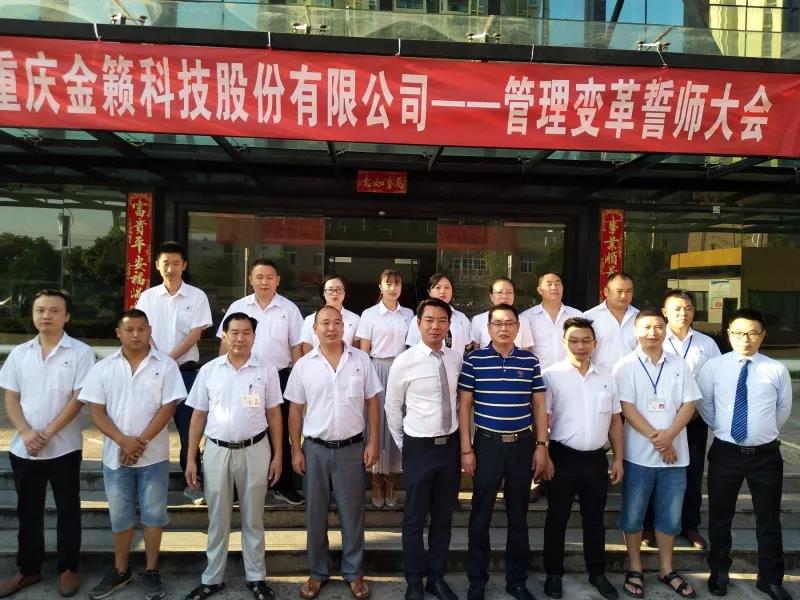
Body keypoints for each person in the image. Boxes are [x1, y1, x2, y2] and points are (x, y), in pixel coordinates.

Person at [80, 309, 186, 600]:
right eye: (129, 330)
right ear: (119, 333)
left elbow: (168, 407)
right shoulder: (103, 368)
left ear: (149, 331)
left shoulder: (166, 365)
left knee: (154, 515)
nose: (136, 334)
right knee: (120, 516)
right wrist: (123, 442)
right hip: (116, 457)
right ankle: (120, 569)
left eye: (141, 329)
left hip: (153, 458)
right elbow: (96, 412)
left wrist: (140, 442)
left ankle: (152, 570)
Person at [0, 290, 94, 599]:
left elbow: (78, 398)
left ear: (67, 316)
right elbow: (11, 397)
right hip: (24, 448)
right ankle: (28, 569)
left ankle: (68, 568)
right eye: (40, 310)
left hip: (64, 446)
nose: (46, 315)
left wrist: (48, 433)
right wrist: (27, 433)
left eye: (54, 310)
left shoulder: (80, 352)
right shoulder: (20, 353)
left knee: (68, 509)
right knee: (28, 510)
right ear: (33, 315)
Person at [184, 312, 284, 600]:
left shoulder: (266, 370)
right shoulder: (209, 370)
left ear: (254, 336)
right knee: (218, 519)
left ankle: (256, 578)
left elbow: (274, 414)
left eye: (246, 332)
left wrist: (278, 455)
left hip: (256, 450)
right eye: (235, 333)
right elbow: (198, 416)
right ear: (224, 336)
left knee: (253, 518)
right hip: (217, 450)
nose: (240, 338)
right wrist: (191, 457)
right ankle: (212, 578)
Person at [286, 305, 381, 600]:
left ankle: (354, 573)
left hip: (352, 449)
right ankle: (317, 572)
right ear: (314, 329)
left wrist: (373, 442)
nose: (331, 328)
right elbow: (295, 410)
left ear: (344, 327)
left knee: (353, 515)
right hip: (314, 449)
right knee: (315, 515)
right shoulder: (304, 365)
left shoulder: (361, 360)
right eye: (324, 323)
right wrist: (295, 449)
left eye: (336, 322)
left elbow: (372, 402)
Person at [697, 309, 793, 600]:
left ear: (763, 336)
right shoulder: (714, 367)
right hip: (726, 453)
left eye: (752, 333)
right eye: (739, 333)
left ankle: (771, 578)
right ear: (729, 335)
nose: (746, 339)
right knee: (719, 516)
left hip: (766, 457)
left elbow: (782, 410)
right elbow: (706, 405)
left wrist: (759, 433)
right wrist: (724, 430)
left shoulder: (776, 369)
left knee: (769, 518)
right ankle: (718, 572)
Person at [458, 303, 548, 600]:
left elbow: (539, 405)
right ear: (488, 328)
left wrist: (542, 446)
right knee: (480, 515)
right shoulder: (474, 360)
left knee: (518, 515)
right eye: (497, 323)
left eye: (509, 323)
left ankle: (516, 580)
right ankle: (477, 580)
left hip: (522, 445)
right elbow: (465, 406)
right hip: (487, 445)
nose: (504, 328)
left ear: (518, 328)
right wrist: (466, 449)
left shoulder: (530, 361)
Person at [613, 309, 700, 600]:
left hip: (676, 458)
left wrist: (670, 435)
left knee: (670, 518)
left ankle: (666, 569)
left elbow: (689, 404)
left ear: (665, 330)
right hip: (638, 456)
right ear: (636, 332)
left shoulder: (679, 364)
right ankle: (635, 567)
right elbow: (626, 408)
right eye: (647, 327)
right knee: (633, 516)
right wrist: (659, 439)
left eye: (658, 327)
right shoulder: (625, 365)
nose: (653, 332)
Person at [386, 298, 463, 600]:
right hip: (418, 446)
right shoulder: (404, 361)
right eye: (429, 320)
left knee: (443, 518)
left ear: (449, 325)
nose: (435, 326)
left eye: (442, 321)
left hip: (449, 447)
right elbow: (393, 407)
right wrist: (404, 444)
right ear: (418, 323)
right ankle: (414, 582)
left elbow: (461, 402)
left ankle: (436, 578)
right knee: (414, 519)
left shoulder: (456, 359)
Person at [541, 317, 623, 600]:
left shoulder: (607, 377)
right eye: (574, 340)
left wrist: (619, 459)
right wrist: (544, 454)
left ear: (595, 343)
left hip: (596, 460)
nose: (580, 346)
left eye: (586, 340)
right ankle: (553, 574)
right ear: (564, 343)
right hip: (561, 457)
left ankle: (597, 573)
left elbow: (615, 421)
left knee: (595, 520)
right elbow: (542, 420)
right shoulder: (550, 376)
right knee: (557, 518)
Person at [217, 258, 303, 505]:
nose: (264, 282)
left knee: (281, 431)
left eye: (269, 277)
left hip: (280, 376)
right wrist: (223, 374)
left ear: (278, 280)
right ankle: (236, 487)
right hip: (242, 376)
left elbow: (296, 347)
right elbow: (225, 343)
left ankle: (283, 485)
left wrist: (298, 380)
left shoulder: (289, 309)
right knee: (243, 428)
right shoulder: (238, 307)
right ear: (250, 280)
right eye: (259, 277)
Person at [640, 290, 721, 549]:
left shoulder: (707, 344)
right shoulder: (654, 338)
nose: (683, 313)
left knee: (692, 472)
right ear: (665, 312)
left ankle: (690, 525)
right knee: (654, 471)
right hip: (657, 418)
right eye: (676, 309)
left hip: (694, 418)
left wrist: (692, 412)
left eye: (688, 308)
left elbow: (715, 382)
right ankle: (649, 525)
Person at [136, 241, 213, 505]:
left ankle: (193, 482)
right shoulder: (148, 297)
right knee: (148, 424)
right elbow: (143, 331)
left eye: (176, 263)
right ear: (157, 266)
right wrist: (159, 358)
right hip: (153, 370)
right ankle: (145, 482)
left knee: (189, 428)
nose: (171, 268)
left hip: (186, 372)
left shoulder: (197, 296)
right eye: (166, 263)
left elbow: (196, 333)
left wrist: (168, 359)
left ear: (184, 266)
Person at [354, 268, 414, 508]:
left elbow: (411, 347)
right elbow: (363, 351)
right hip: (377, 369)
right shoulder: (369, 314)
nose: (393, 288)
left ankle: (391, 480)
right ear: (380, 286)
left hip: (402, 371)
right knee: (376, 422)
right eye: (388, 283)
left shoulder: (409, 314)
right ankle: (376, 480)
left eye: (397, 284)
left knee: (397, 422)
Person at [520, 272, 582, 370]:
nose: (554, 287)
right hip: (539, 374)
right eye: (549, 284)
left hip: (570, 373)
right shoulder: (526, 317)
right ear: (540, 290)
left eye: (557, 283)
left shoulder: (577, 316)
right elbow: (524, 351)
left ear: (562, 288)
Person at [583, 272, 638, 373]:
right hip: (599, 377)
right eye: (619, 291)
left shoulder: (640, 318)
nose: (623, 296)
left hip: (633, 377)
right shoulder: (589, 317)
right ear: (606, 292)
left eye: (628, 291)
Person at [405, 273, 472, 354]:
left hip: (455, 362)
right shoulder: (419, 319)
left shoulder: (461, 318)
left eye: (447, 287)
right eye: (438, 288)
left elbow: (467, 347)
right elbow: (412, 349)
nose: (442, 291)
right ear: (429, 292)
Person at [299, 273, 360, 355]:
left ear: (345, 292)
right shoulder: (310, 320)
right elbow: (307, 351)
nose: (335, 293)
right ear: (323, 292)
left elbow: (356, 351)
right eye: (330, 290)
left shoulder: (355, 319)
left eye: (339, 289)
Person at [470, 277, 534, 352]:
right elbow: (476, 351)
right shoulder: (478, 320)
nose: (504, 296)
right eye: (499, 292)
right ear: (491, 296)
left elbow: (526, 352)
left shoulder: (524, 321)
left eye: (509, 292)